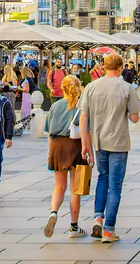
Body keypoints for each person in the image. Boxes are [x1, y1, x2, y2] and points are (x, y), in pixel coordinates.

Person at [78, 53, 140, 243]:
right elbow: (134, 117)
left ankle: (98, 216)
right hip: (119, 141)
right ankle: (108, 230)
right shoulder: (127, 88)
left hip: (98, 142)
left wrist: (85, 143)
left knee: (102, 179)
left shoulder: (91, 87)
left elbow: (83, 117)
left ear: (104, 67)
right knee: (115, 185)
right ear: (120, 67)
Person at [44, 75, 87, 239]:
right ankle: (74, 227)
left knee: (59, 186)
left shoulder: (55, 106)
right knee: (75, 188)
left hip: (57, 147)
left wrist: (50, 153)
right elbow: (86, 130)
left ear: (62, 88)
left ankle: (53, 213)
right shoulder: (81, 107)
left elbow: (49, 132)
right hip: (75, 146)